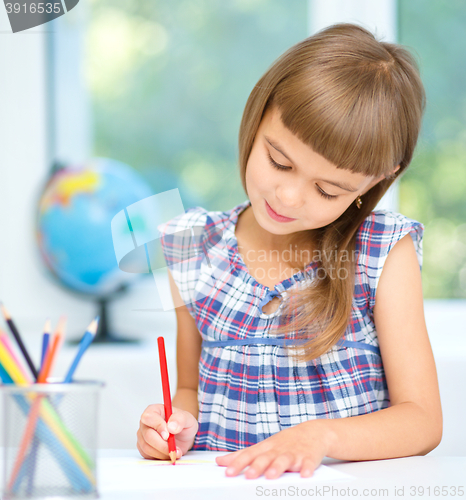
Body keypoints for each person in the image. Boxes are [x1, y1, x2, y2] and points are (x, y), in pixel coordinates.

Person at [137, 23, 442, 479]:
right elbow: (187, 389)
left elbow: (422, 420)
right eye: (279, 161)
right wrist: (173, 427)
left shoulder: (381, 252)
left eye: (326, 189)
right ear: (258, 114)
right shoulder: (190, 245)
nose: (289, 197)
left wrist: (323, 436)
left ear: (376, 181)